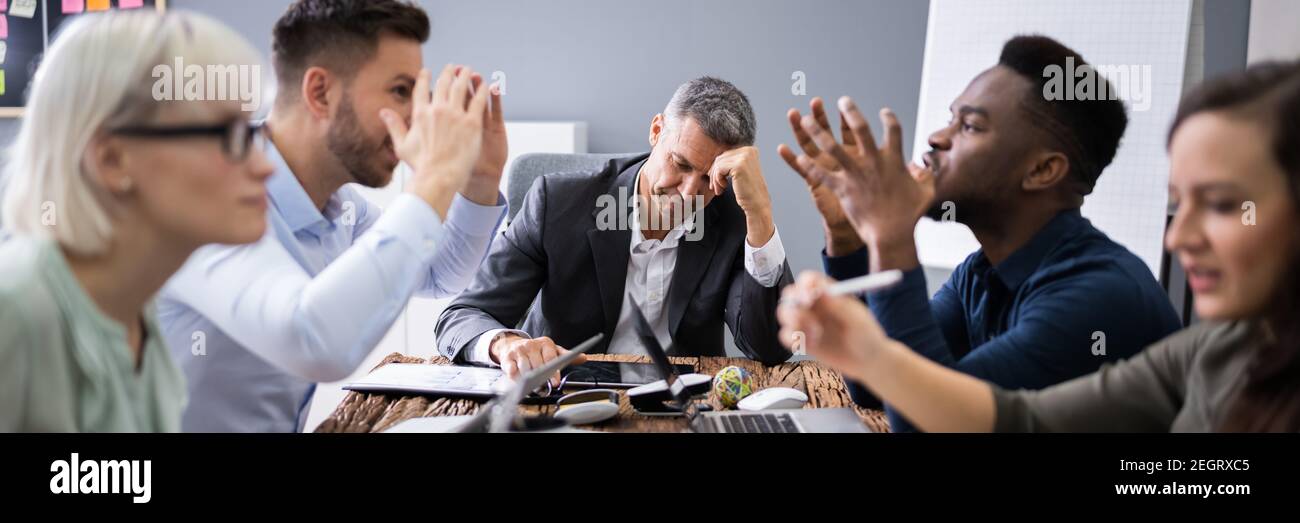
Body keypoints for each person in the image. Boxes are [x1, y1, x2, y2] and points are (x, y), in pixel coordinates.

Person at [778, 60, 1300, 432]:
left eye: (970, 125)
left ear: (1044, 170)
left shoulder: (1101, 297)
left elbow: (923, 425)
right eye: (1179, 202)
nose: (1177, 237)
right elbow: (889, 393)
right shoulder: (1221, 349)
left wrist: (891, 237)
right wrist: (850, 236)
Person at [157, 0, 507, 432]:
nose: (416, 116)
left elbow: (440, 275)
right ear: (320, 92)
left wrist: (480, 179)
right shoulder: (204, 196)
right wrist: (433, 180)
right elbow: (313, 341)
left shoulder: (340, 208)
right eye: (400, 92)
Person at [0, 11, 272, 432]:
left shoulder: (134, 313)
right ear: (111, 159)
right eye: (229, 137)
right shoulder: (15, 312)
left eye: (252, 134)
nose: (264, 167)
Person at [436, 76, 793, 383]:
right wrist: (506, 344)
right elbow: (462, 315)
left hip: (679, 407)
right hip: (567, 396)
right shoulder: (557, 203)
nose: (688, 193)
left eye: (708, 179)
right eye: (680, 164)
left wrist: (760, 216)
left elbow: (769, 348)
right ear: (656, 131)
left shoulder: (732, 218)